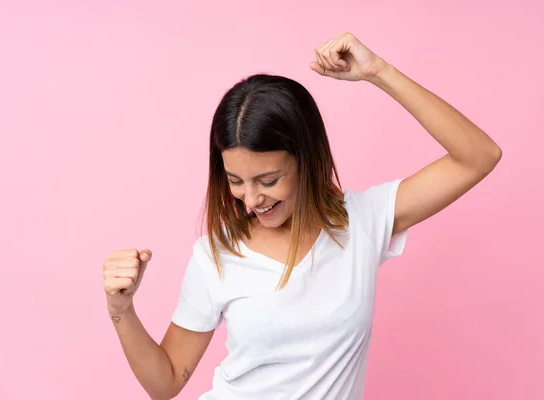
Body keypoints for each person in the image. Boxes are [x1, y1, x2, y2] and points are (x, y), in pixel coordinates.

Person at [102, 32, 502, 400]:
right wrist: (122, 309)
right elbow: (167, 382)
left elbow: (477, 158)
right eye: (235, 181)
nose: (252, 198)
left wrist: (379, 72)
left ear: (307, 160)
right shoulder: (216, 256)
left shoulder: (361, 223)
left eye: (268, 179)